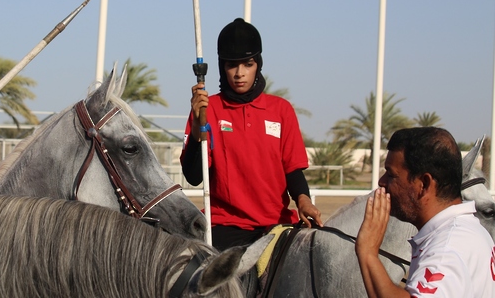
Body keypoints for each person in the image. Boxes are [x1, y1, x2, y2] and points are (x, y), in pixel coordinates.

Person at [180, 18, 323, 251]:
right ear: (221, 67)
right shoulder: (207, 108)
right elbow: (194, 176)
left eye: (247, 64)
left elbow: (292, 170)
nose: (239, 73)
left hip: (276, 226)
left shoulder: (281, 110)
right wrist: (198, 125)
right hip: (224, 226)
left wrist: (304, 201)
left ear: (258, 64)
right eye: (231, 65)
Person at [355, 127, 495, 297]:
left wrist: (368, 252)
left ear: (424, 184)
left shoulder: (447, 249)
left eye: (391, 175)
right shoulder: (466, 229)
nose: (381, 181)